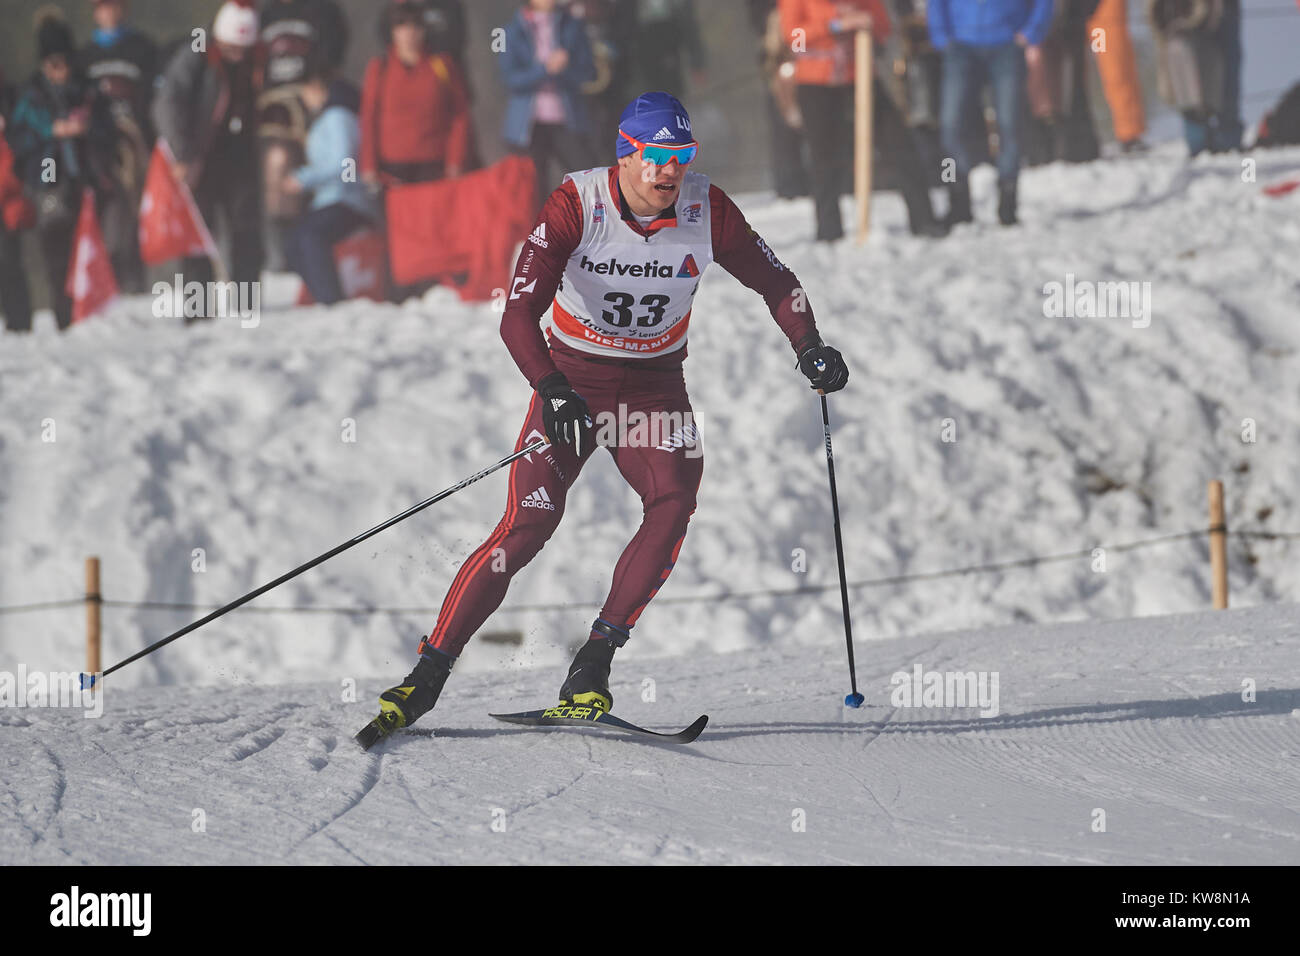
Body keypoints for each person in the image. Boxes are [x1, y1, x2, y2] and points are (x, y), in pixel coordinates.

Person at [370, 91, 850, 735]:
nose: (668, 172)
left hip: (653, 389)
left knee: (674, 499)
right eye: (656, 158)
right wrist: (552, 388)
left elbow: (777, 282)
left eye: (680, 157)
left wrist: (810, 347)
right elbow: (517, 314)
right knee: (528, 525)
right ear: (625, 156)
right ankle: (427, 676)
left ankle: (593, 662)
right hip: (574, 384)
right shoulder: (578, 202)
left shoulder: (707, 209)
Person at [780, 0, 947, 239]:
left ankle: (924, 220)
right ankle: (829, 230)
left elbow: (883, 27)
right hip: (816, 83)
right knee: (824, 158)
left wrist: (869, 24)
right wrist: (835, 25)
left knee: (899, 144)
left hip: (860, 75)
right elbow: (794, 37)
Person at [9, 10, 114, 331]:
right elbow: (17, 139)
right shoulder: (31, 96)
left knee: (95, 247)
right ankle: (63, 316)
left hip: (87, 178)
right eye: (52, 64)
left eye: (63, 62)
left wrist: (85, 128)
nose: (59, 71)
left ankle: (99, 311)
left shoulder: (89, 91)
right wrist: (50, 131)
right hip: (49, 177)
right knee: (55, 254)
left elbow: (108, 130)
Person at [152, 0, 264, 295]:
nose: (237, 57)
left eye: (243, 51)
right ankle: (196, 305)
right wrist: (183, 153)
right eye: (231, 49)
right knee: (198, 232)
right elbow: (167, 103)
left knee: (246, 228)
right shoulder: (197, 53)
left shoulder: (259, 57)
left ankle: (246, 301)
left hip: (242, 155)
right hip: (201, 156)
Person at [928, 0, 1054, 226]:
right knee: (950, 126)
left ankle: (1008, 201)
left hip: (1007, 45)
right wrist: (940, 37)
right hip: (960, 47)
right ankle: (957, 198)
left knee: (1010, 125)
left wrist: (1032, 32)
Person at [79, 0, 157, 294]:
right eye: (103, 6)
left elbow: (154, 97)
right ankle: (103, 283)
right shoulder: (83, 57)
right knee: (105, 211)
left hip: (135, 145)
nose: (110, 13)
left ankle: (136, 281)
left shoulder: (143, 49)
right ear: (95, 12)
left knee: (136, 209)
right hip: (99, 148)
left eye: (116, 6)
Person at [283, 66, 378, 305]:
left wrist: (304, 178)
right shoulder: (330, 117)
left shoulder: (337, 116)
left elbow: (343, 162)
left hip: (347, 199)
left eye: (306, 92)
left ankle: (332, 302)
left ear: (318, 89)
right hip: (330, 198)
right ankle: (324, 298)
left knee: (310, 237)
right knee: (295, 244)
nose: (304, 99)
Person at [500, 0, 597, 210]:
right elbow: (508, 79)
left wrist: (564, 70)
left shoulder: (573, 26)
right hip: (527, 126)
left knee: (587, 180)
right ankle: (541, 237)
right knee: (533, 190)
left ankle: (590, 231)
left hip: (568, 119)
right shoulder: (508, 30)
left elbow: (589, 72)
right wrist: (544, 69)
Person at [1149, 0, 1242, 156]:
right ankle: (1202, 141)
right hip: (1182, 17)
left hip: (1212, 15)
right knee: (1187, 77)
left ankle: (1223, 140)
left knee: (1221, 68)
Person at [1087, 0, 1147, 152]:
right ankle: (1128, 132)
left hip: (1105, 24)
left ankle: (1129, 132)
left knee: (1117, 75)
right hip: (1099, 24)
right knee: (1114, 75)